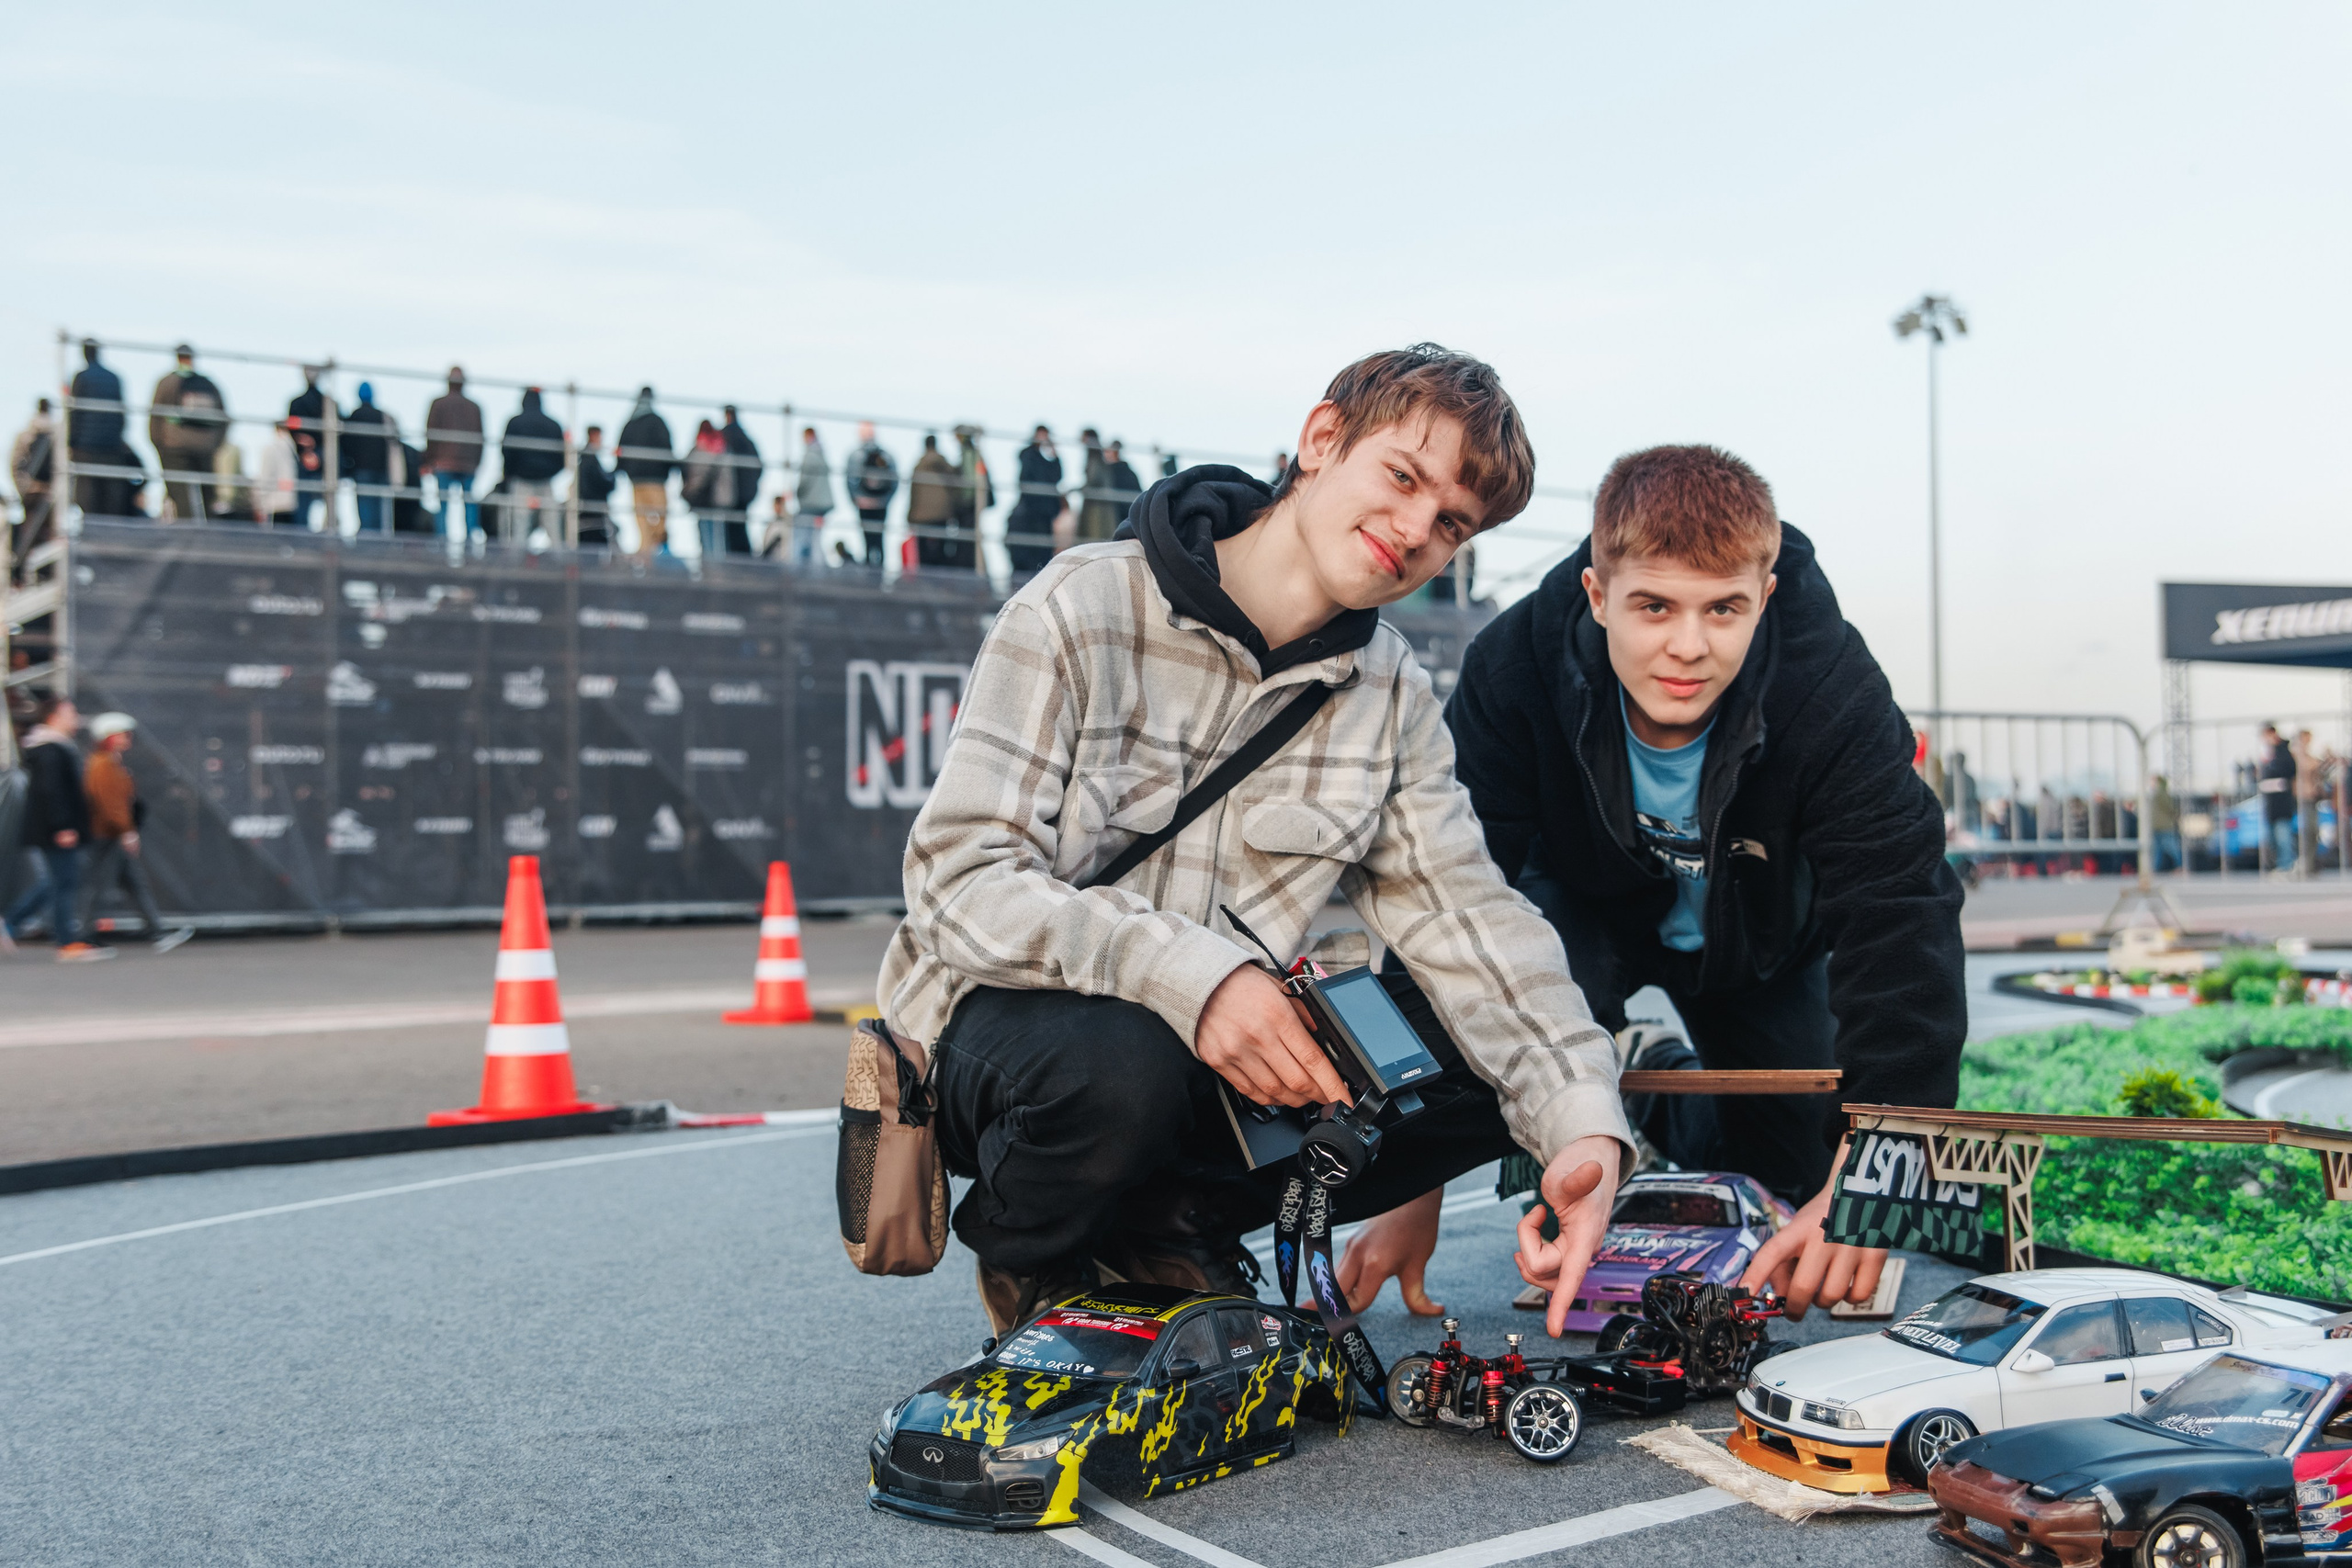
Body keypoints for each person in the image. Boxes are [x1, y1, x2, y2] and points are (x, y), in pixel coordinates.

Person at [881, 343, 1631, 1337]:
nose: (1414, 532)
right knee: (1122, 1054)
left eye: (1450, 523)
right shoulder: (1081, 603)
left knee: (1484, 1041)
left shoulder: (1391, 691)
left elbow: (1472, 924)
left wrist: (1581, 1134)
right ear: (1321, 439)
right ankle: (1046, 1255)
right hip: (1020, 1040)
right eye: (1402, 478)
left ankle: (1169, 1224)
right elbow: (955, 883)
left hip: (1218, 1070)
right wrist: (1197, 978)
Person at [1437, 443, 1965, 1321]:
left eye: (1723, 609)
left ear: (1763, 596)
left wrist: (1877, 1172)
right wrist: (1407, 1190)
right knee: (1513, 1003)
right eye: (1653, 606)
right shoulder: (1513, 664)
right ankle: (1589, 1091)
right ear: (1597, 595)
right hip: (1588, 919)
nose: (1689, 646)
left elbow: (1901, 909)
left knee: (1792, 1178)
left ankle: (1656, 1082)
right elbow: (1446, 897)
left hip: (1758, 942)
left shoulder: (1829, 680)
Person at [2, 696, 113, 962]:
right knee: (64, 883)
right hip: (57, 829)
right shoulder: (50, 750)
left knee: (56, 882)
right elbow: (52, 792)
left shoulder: (54, 748)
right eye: (70, 712)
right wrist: (63, 826)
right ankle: (66, 943)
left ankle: (10, 923)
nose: (75, 717)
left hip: (55, 828)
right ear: (54, 716)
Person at [75, 713, 192, 952]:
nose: (127, 738)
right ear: (108, 737)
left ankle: (156, 931)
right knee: (102, 884)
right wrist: (127, 831)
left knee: (132, 883)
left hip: (111, 833)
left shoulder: (109, 762)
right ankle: (86, 935)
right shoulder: (103, 764)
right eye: (122, 733)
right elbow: (111, 803)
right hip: (108, 834)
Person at [147, 344, 230, 522]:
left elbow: (155, 418)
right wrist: (214, 445)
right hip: (205, 447)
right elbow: (224, 418)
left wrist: (159, 445)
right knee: (208, 495)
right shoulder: (209, 384)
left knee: (181, 495)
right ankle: (212, 537)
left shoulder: (167, 382)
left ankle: (188, 537)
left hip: (174, 446)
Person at [67, 339, 142, 520]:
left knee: (88, 492)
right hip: (111, 445)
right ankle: (111, 529)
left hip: (86, 446)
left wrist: (71, 442)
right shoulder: (114, 377)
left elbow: (75, 413)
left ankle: (93, 529)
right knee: (111, 492)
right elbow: (122, 412)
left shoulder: (82, 377)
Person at [421, 367, 485, 542]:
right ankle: (471, 544)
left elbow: (431, 434)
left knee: (443, 507)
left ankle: (442, 544)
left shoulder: (438, 404)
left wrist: (429, 460)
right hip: (468, 465)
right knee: (469, 506)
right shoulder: (474, 407)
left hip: (443, 464)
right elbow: (481, 438)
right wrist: (477, 462)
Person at [498, 388, 565, 546]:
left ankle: (516, 564)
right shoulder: (553, 425)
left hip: (521, 482)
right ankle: (560, 563)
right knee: (553, 525)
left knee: (520, 525)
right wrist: (549, 472)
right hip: (546, 481)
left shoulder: (515, 423)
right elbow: (561, 457)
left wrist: (510, 473)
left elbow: (507, 451)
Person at [616, 388, 674, 559]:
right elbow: (667, 448)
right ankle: (658, 553)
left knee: (641, 520)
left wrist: (624, 470)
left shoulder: (630, 424)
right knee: (661, 518)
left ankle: (646, 555)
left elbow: (621, 451)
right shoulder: (658, 422)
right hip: (656, 481)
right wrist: (669, 469)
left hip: (636, 481)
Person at [339, 382, 400, 535]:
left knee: (365, 512)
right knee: (382, 513)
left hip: (361, 471)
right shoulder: (382, 416)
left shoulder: (353, 417)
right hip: (381, 471)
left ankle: (367, 544)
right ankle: (380, 545)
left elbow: (346, 444)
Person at [9, 398, 57, 581]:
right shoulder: (56, 436)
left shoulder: (26, 434)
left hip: (33, 493)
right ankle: (44, 573)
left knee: (30, 533)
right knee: (47, 534)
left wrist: (24, 488)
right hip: (45, 494)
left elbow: (14, 465)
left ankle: (23, 575)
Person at [1007, 424, 1063, 572]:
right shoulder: (1029, 456)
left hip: (1043, 514)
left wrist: (1053, 453)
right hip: (1032, 513)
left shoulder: (1045, 461)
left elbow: (1057, 476)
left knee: (1042, 552)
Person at [843, 422, 898, 565]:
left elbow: (849, 482)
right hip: (880, 505)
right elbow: (894, 481)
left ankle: (869, 576)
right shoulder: (886, 456)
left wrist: (858, 501)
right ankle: (880, 575)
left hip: (865, 505)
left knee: (867, 542)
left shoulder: (855, 456)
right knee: (880, 541)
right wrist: (884, 500)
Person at [680, 420, 735, 560]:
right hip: (720, 498)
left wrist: (690, 489)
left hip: (703, 498)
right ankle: (718, 568)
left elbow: (691, 471)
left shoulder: (699, 448)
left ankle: (710, 569)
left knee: (705, 536)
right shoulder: (723, 446)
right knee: (719, 537)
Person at [906, 433, 958, 569]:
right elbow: (954, 488)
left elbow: (914, 493)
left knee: (923, 551)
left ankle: (925, 579)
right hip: (942, 514)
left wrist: (910, 517)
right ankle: (941, 579)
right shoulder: (945, 466)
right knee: (941, 549)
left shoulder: (919, 466)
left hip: (922, 515)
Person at [721, 408, 764, 558]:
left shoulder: (725, 437)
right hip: (746, 492)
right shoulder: (747, 439)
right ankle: (744, 558)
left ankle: (737, 559)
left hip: (732, 491)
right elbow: (759, 466)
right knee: (740, 525)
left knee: (731, 529)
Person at [949, 425, 992, 565]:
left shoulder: (969, 453)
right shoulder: (970, 453)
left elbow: (970, 480)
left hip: (969, 504)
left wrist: (962, 500)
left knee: (968, 541)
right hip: (970, 503)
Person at [2257, 723, 2296, 874]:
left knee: (2283, 836)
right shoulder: (2267, 753)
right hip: (2270, 803)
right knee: (2272, 837)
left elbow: (2290, 770)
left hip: (2282, 803)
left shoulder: (2283, 751)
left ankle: (2286, 865)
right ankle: (2278, 864)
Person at [791, 425, 831, 567]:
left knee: (803, 539)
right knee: (816, 539)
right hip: (821, 505)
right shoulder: (821, 454)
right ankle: (817, 571)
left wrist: (795, 493)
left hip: (810, 505)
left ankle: (803, 571)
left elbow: (805, 481)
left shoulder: (810, 455)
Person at [573, 424, 615, 547]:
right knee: (594, 543)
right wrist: (613, 478)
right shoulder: (590, 458)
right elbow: (600, 481)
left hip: (588, 506)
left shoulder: (586, 457)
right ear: (593, 436)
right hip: (592, 507)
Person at [1075, 427, 1117, 543]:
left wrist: (1078, 489)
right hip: (1096, 503)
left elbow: (1094, 479)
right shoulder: (1097, 457)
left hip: (1097, 506)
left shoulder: (1095, 457)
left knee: (1094, 537)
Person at [2295, 729, 2327, 879]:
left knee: (2313, 831)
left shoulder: (2308, 755)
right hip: (2303, 797)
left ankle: (2311, 864)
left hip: (2312, 797)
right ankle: (2305, 865)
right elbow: (2307, 767)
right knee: (2308, 831)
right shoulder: (2297, 755)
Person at [1102, 439, 1143, 529]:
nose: (1105, 454)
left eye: (1108, 451)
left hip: (1120, 515)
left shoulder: (1112, 472)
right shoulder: (1129, 472)